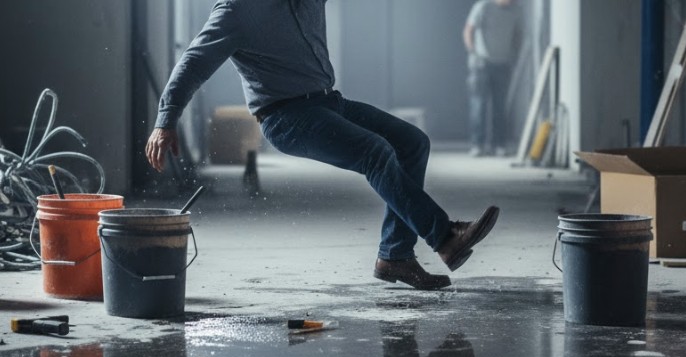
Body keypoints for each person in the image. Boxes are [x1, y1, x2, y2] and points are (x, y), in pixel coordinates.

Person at [144, 0, 500, 290]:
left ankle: (395, 256)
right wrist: (165, 121)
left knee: (412, 142)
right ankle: (445, 237)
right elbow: (193, 62)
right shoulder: (237, 9)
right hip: (285, 117)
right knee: (375, 152)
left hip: (328, 101)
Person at [464, 0, 521, 157]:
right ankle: (478, 144)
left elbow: (517, 34)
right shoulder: (483, 7)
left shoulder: (516, 10)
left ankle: (499, 144)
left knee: (500, 107)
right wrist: (473, 52)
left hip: (502, 64)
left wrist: (513, 55)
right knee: (479, 105)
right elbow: (469, 30)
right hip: (481, 64)